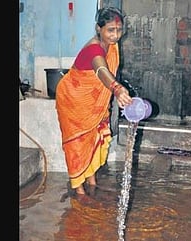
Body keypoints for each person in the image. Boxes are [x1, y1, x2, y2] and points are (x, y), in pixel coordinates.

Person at [55, 6, 133, 197]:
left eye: (119, 30)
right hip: (73, 100)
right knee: (78, 143)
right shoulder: (94, 50)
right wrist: (116, 88)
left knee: (96, 136)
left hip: (92, 102)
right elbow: (101, 70)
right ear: (99, 29)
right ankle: (78, 189)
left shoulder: (111, 46)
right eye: (110, 30)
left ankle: (92, 180)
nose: (115, 35)